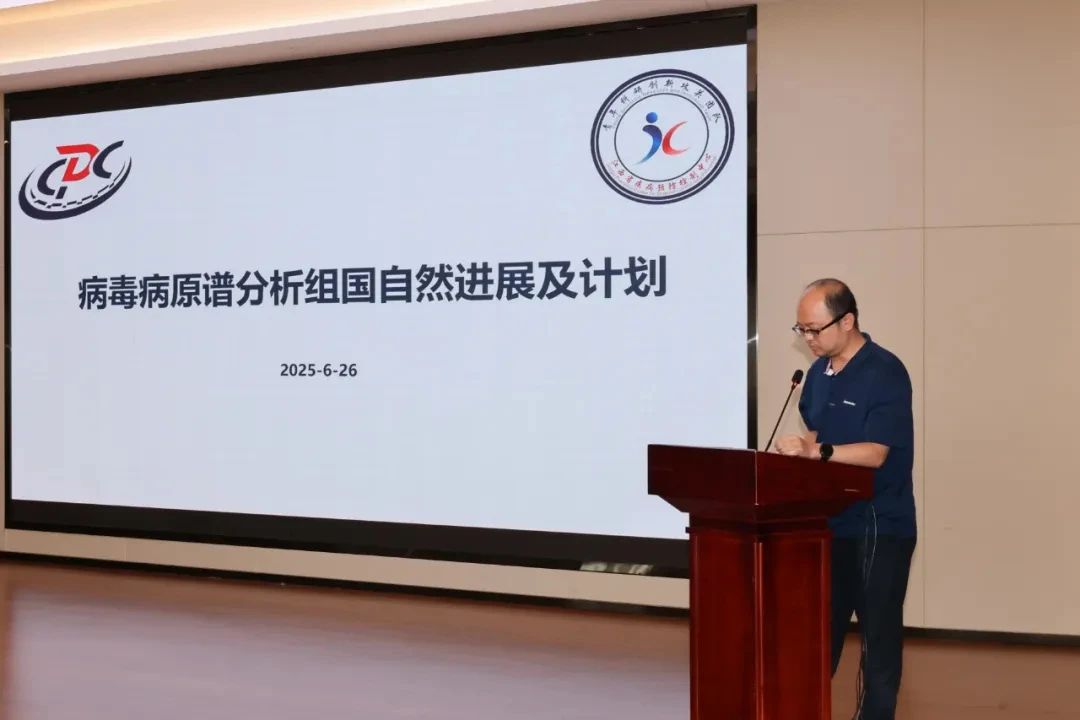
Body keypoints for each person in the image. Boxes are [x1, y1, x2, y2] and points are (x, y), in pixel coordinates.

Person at [774, 278, 916, 720]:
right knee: (820, 630)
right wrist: (800, 449)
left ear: (847, 320)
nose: (808, 339)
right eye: (801, 330)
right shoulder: (817, 375)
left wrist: (817, 451)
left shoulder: (884, 371)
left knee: (878, 636)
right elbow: (819, 433)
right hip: (830, 523)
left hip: (880, 524)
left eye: (814, 329)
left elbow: (876, 452)